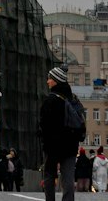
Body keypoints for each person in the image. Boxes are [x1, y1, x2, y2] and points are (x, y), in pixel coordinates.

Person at [39, 65, 80, 201]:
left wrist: (44, 140)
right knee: (68, 176)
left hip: (52, 145)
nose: (47, 81)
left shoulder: (50, 100)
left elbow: (44, 125)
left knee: (50, 175)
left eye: (49, 78)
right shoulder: (73, 99)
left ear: (56, 80)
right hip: (70, 146)